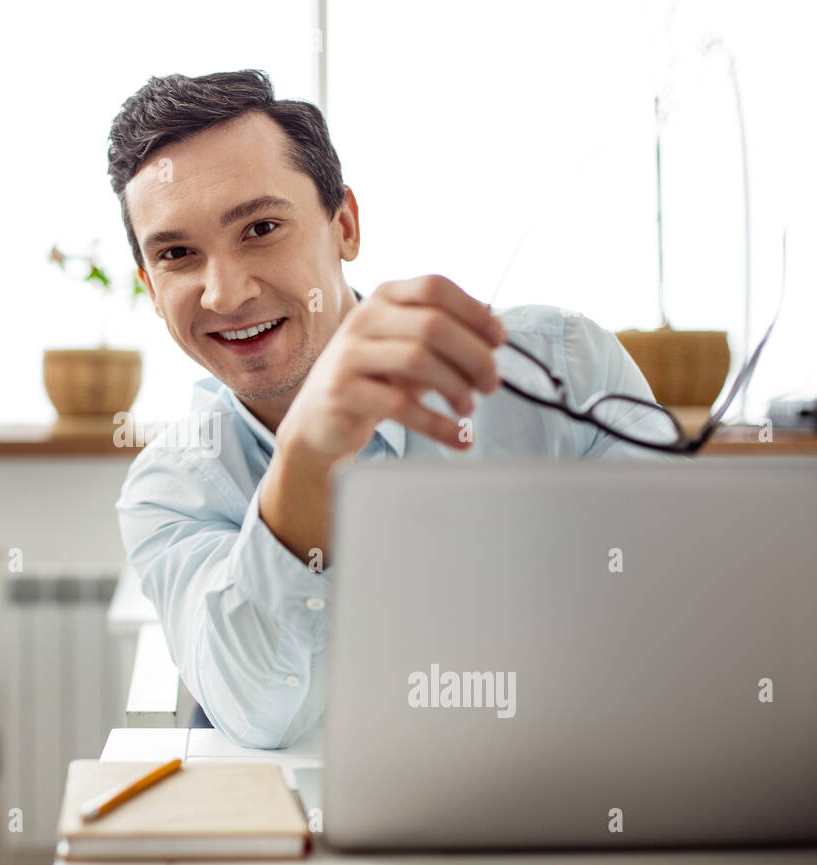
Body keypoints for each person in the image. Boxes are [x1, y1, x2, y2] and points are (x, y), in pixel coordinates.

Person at [109, 69, 669, 749]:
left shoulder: (560, 367)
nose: (225, 294)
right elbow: (257, 711)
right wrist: (306, 461)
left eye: (260, 227)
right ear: (148, 283)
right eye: (176, 254)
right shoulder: (173, 488)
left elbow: (682, 611)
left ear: (344, 225)